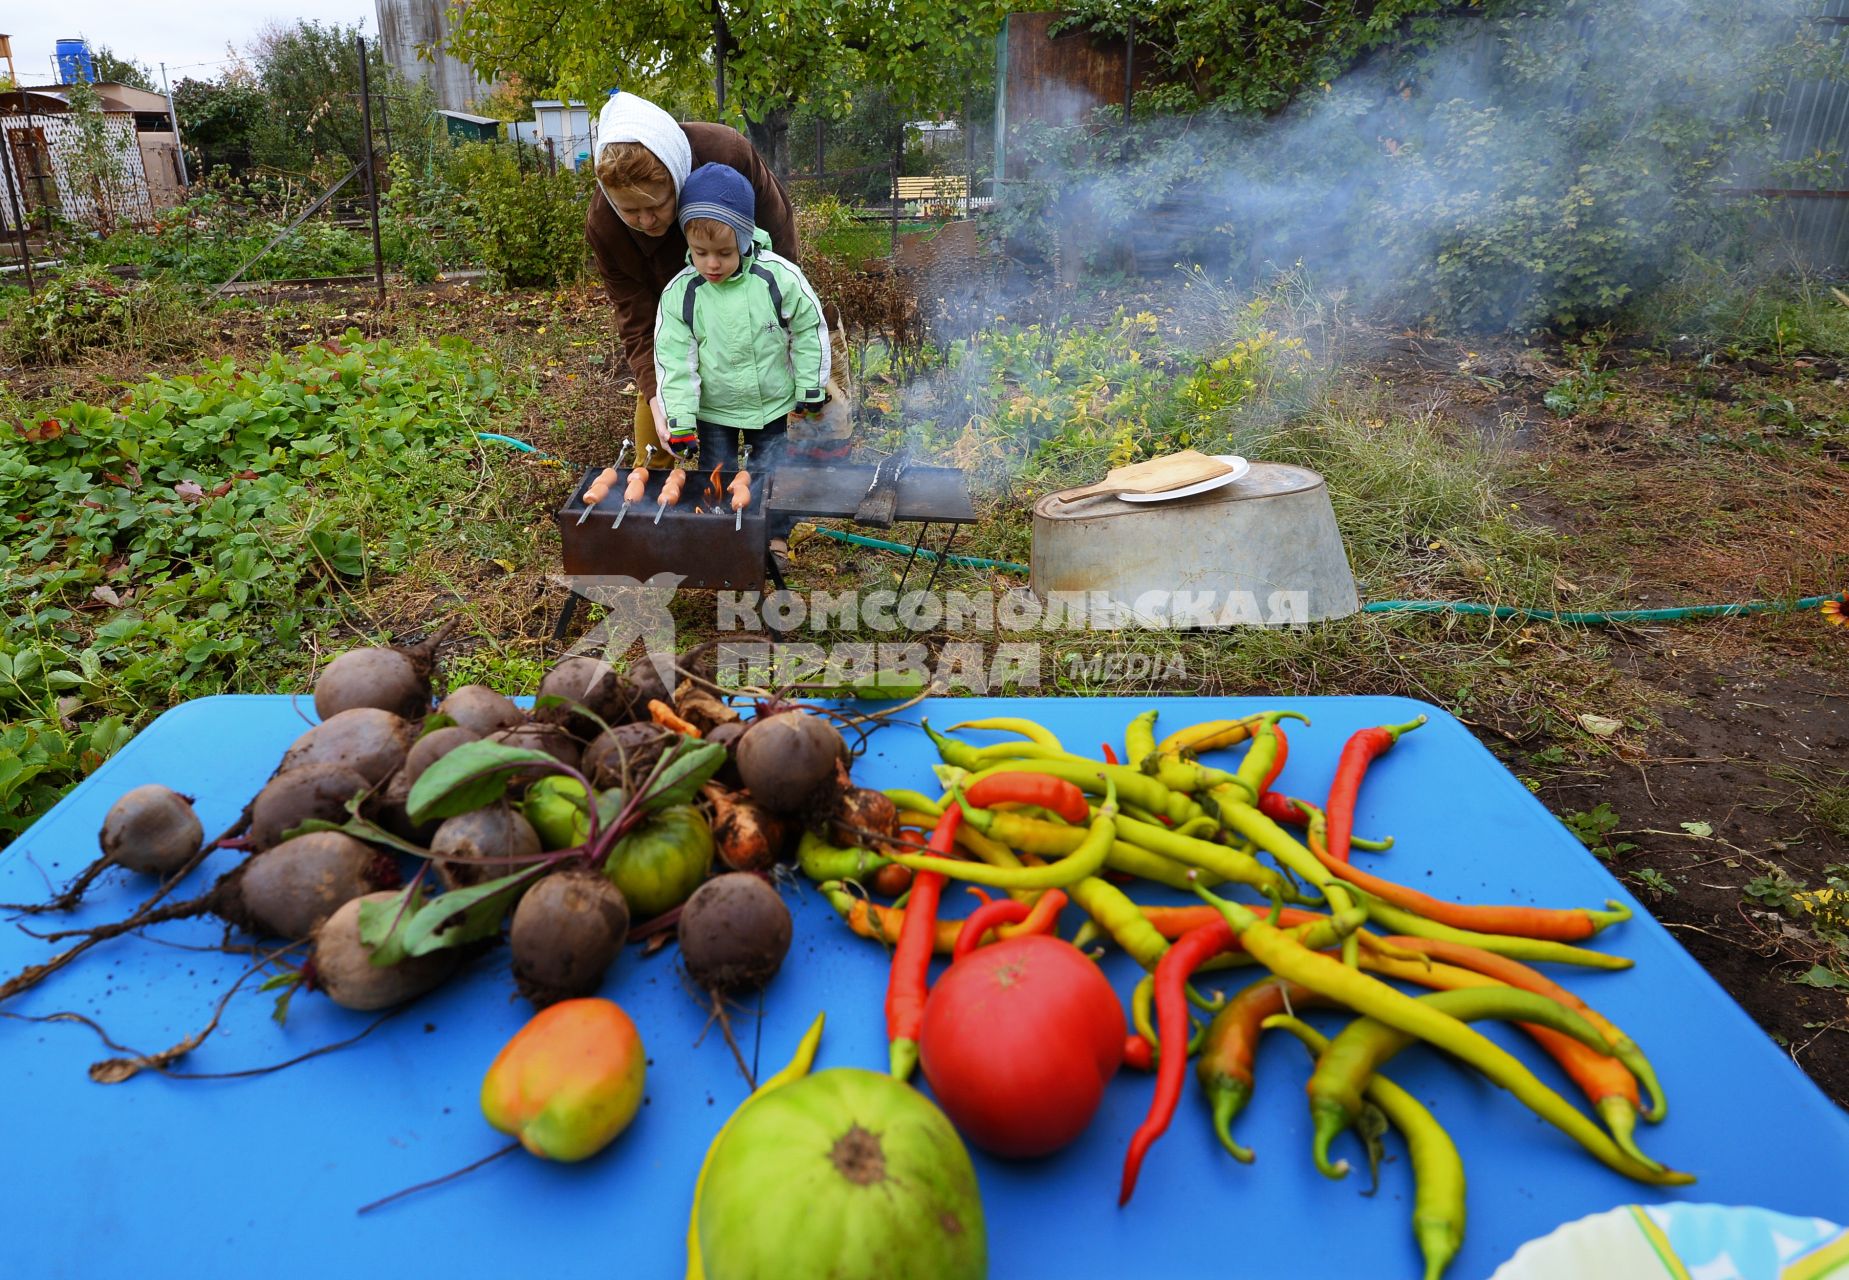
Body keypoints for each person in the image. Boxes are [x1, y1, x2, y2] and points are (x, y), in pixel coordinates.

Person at [587, 92, 799, 464]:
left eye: (657, 205)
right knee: (657, 448)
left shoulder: (727, 154)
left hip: (750, 299)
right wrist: (656, 396)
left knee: (796, 417)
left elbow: (781, 244)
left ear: (677, 176)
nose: (647, 221)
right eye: (631, 211)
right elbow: (636, 321)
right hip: (673, 325)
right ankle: (661, 511)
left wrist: (786, 331)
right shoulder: (607, 226)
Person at [652, 163, 830, 573]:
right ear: (688, 245)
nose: (711, 264)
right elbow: (674, 360)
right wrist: (679, 420)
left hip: (769, 402)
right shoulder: (682, 294)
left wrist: (810, 388)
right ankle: (722, 540)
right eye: (700, 253)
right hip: (715, 410)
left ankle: (775, 536)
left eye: (724, 253)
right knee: (718, 474)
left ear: (747, 238)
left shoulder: (778, 277)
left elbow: (808, 329)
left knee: (770, 473)